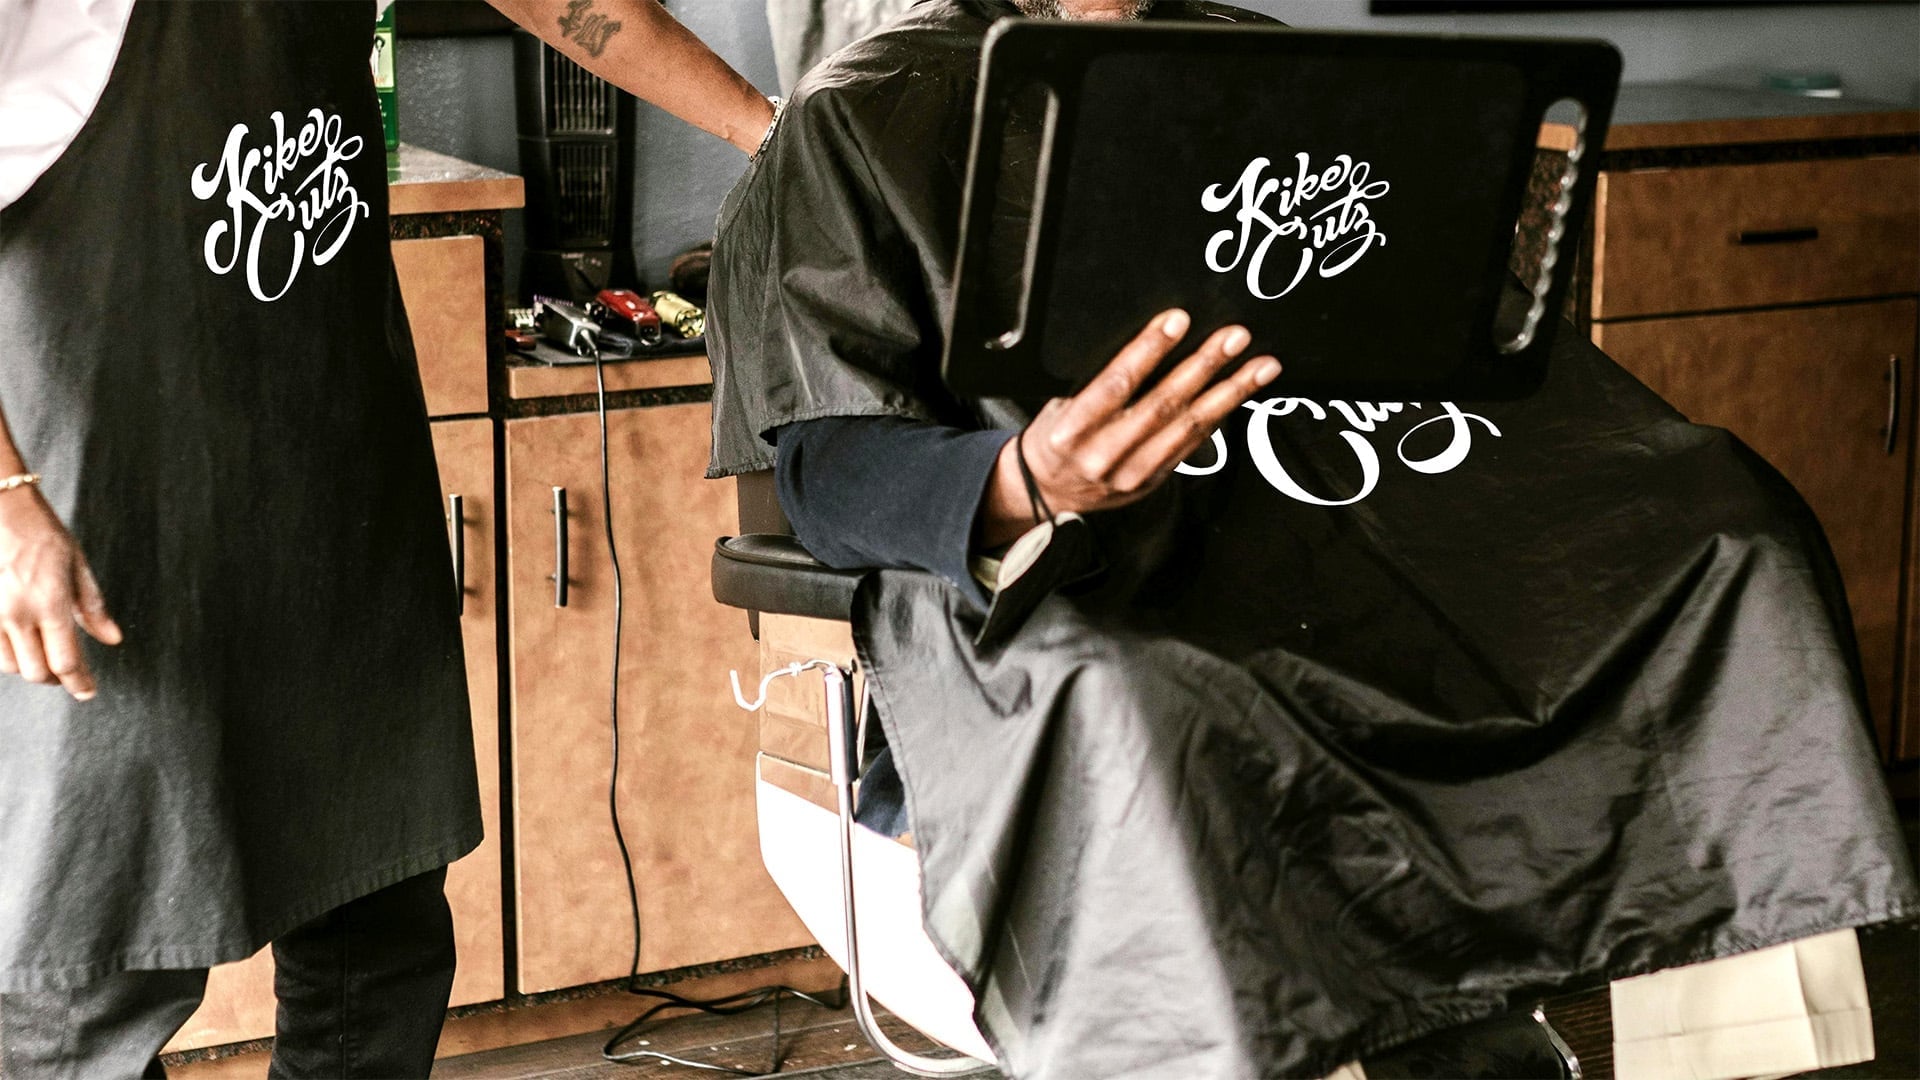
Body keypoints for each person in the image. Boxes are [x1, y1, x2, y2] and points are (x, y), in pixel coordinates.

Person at [705, 2, 1919, 1078]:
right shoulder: (861, 117)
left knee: (1734, 549)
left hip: (1347, 540)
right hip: (1092, 575)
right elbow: (824, 467)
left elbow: (1467, 355)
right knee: (1154, 691)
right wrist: (1027, 477)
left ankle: (1732, 1058)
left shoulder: (1270, 67)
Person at [0, 1, 772, 1076]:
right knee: (81, 987)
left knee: (379, 945)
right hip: (104, 512)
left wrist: (764, 129)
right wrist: (7, 506)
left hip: (327, 484)